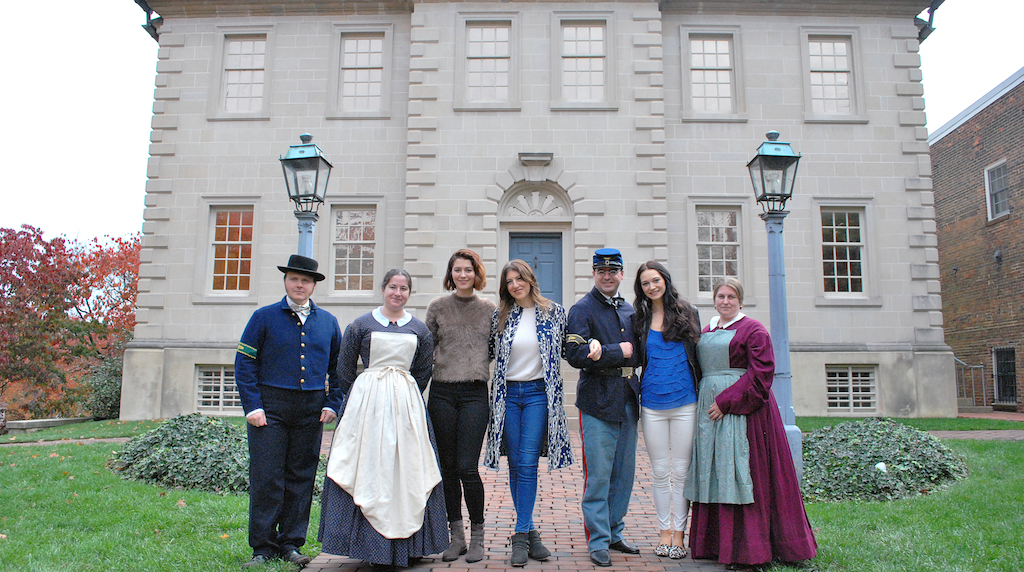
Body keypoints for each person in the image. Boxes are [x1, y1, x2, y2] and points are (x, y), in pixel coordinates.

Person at [319, 269, 448, 570]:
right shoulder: (361, 325)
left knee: (410, 467)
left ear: (409, 293)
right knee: (368, 465)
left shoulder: (419, 329)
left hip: (406, 406)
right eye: (393, 287)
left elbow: (422, 372)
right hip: (367, 406)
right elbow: (344, 368)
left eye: (404, 288)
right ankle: (369, 546)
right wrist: (364, 395)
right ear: (383, 289)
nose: (397, 293)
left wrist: (402, 392)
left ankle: (413, 545)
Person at [685, 277, 817, 570]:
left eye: (731, 296)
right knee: (716, 473)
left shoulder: (754, 330)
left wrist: (726, 401)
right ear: (714, 300)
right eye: (720, 296)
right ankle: (715, 545)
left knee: (743, 475)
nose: (726, 301)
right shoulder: (708, 329)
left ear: (740, 300)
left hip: (746, 414)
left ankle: (748, 550)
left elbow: (761, 376)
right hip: (710, 416)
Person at [234, 254, 343, 569]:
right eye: (294, 279)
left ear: (313, 285)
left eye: (306, 280)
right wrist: (252, 405)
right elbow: (245, 363)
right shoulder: (263, 317)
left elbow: (338, 369)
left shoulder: (328, 323)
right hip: (270, 407)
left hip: (311, 409)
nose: (300, 284)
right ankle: (263, 546)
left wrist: (332, 402)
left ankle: (292, 543)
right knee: (267, 477)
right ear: (286, 281)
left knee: (302, 477)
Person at [483, 259, 575, 567]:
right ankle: (530, 531)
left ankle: (520, 534)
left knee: (527, 461)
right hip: (507, 396)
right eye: (509, 281)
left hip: (538, 395)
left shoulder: (555, 313)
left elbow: (571, 350)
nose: (514, 285)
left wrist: (600, 347)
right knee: (516, 465)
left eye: (519, 279)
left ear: (530, 279)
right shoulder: (500, 316)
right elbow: (486, 354)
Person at [565, 248, 641, 567]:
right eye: (601, 271)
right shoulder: (582, 308)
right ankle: (597, 540)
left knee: (623, 474)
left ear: (622, 274)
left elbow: (638, 353)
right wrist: (614, 351)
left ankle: (614, 531)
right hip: (597, 400)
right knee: (598, 475)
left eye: (613, 271)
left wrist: (608, 351)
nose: (607, 276)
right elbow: (573, 354)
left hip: (627, 398)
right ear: (594, 273)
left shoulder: (630, 311)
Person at [425, 250, 496, 563]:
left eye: (468, 270)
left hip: (474, 394)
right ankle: (457, 538)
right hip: (441, 392)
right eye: (457, 270)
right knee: (448, 469)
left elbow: (494, 349)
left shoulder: (489, 309)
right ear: (450, 273)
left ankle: (478, 536)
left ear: (476, 273)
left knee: (468, 467)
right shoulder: (438, 307)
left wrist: (472, 365)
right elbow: (426, 346)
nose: (463, 275)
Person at [631, 261, 702, 560]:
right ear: (641, 288)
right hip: (652, 404)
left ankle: (679, 535)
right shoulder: (639, 319)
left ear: (665, 280)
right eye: (646, 283)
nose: (651, 286)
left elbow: (699, 353)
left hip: (685, 402)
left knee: (681, 471)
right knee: (659, 471)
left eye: (655, 280)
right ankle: (663, 534)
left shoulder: (687, 312)